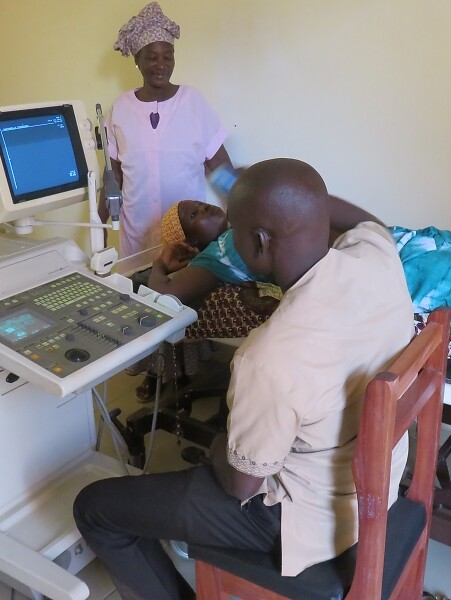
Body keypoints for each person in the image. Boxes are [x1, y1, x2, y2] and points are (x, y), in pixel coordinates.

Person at [73, 158, 414, 600]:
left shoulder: (269, 356)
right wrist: (301, 201)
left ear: (258, 241)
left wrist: (219, 447)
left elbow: (241, 486)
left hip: (305, 519)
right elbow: (366, 222)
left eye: (234, 229)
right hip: (379, 481)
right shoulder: (378, 255)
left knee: (94, 507)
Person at [99, 2, 233, 258]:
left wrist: (240, 207)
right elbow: (112, 176)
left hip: (188, 237)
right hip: (136, 233)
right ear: (137, 60)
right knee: (139, 280)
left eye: (168, 56)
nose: (161, 64)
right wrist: (100, 223)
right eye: (152, 57)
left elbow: (218, 165)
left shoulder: (193, 102)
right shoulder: (120, 109)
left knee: (183, 281)